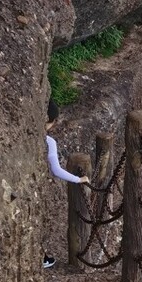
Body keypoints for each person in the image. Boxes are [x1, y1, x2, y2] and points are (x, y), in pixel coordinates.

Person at [44, 99, 89, 268]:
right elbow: (56, 170)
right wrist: (79, 179)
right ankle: (41, 258)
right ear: (51, 121)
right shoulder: (49, 142)